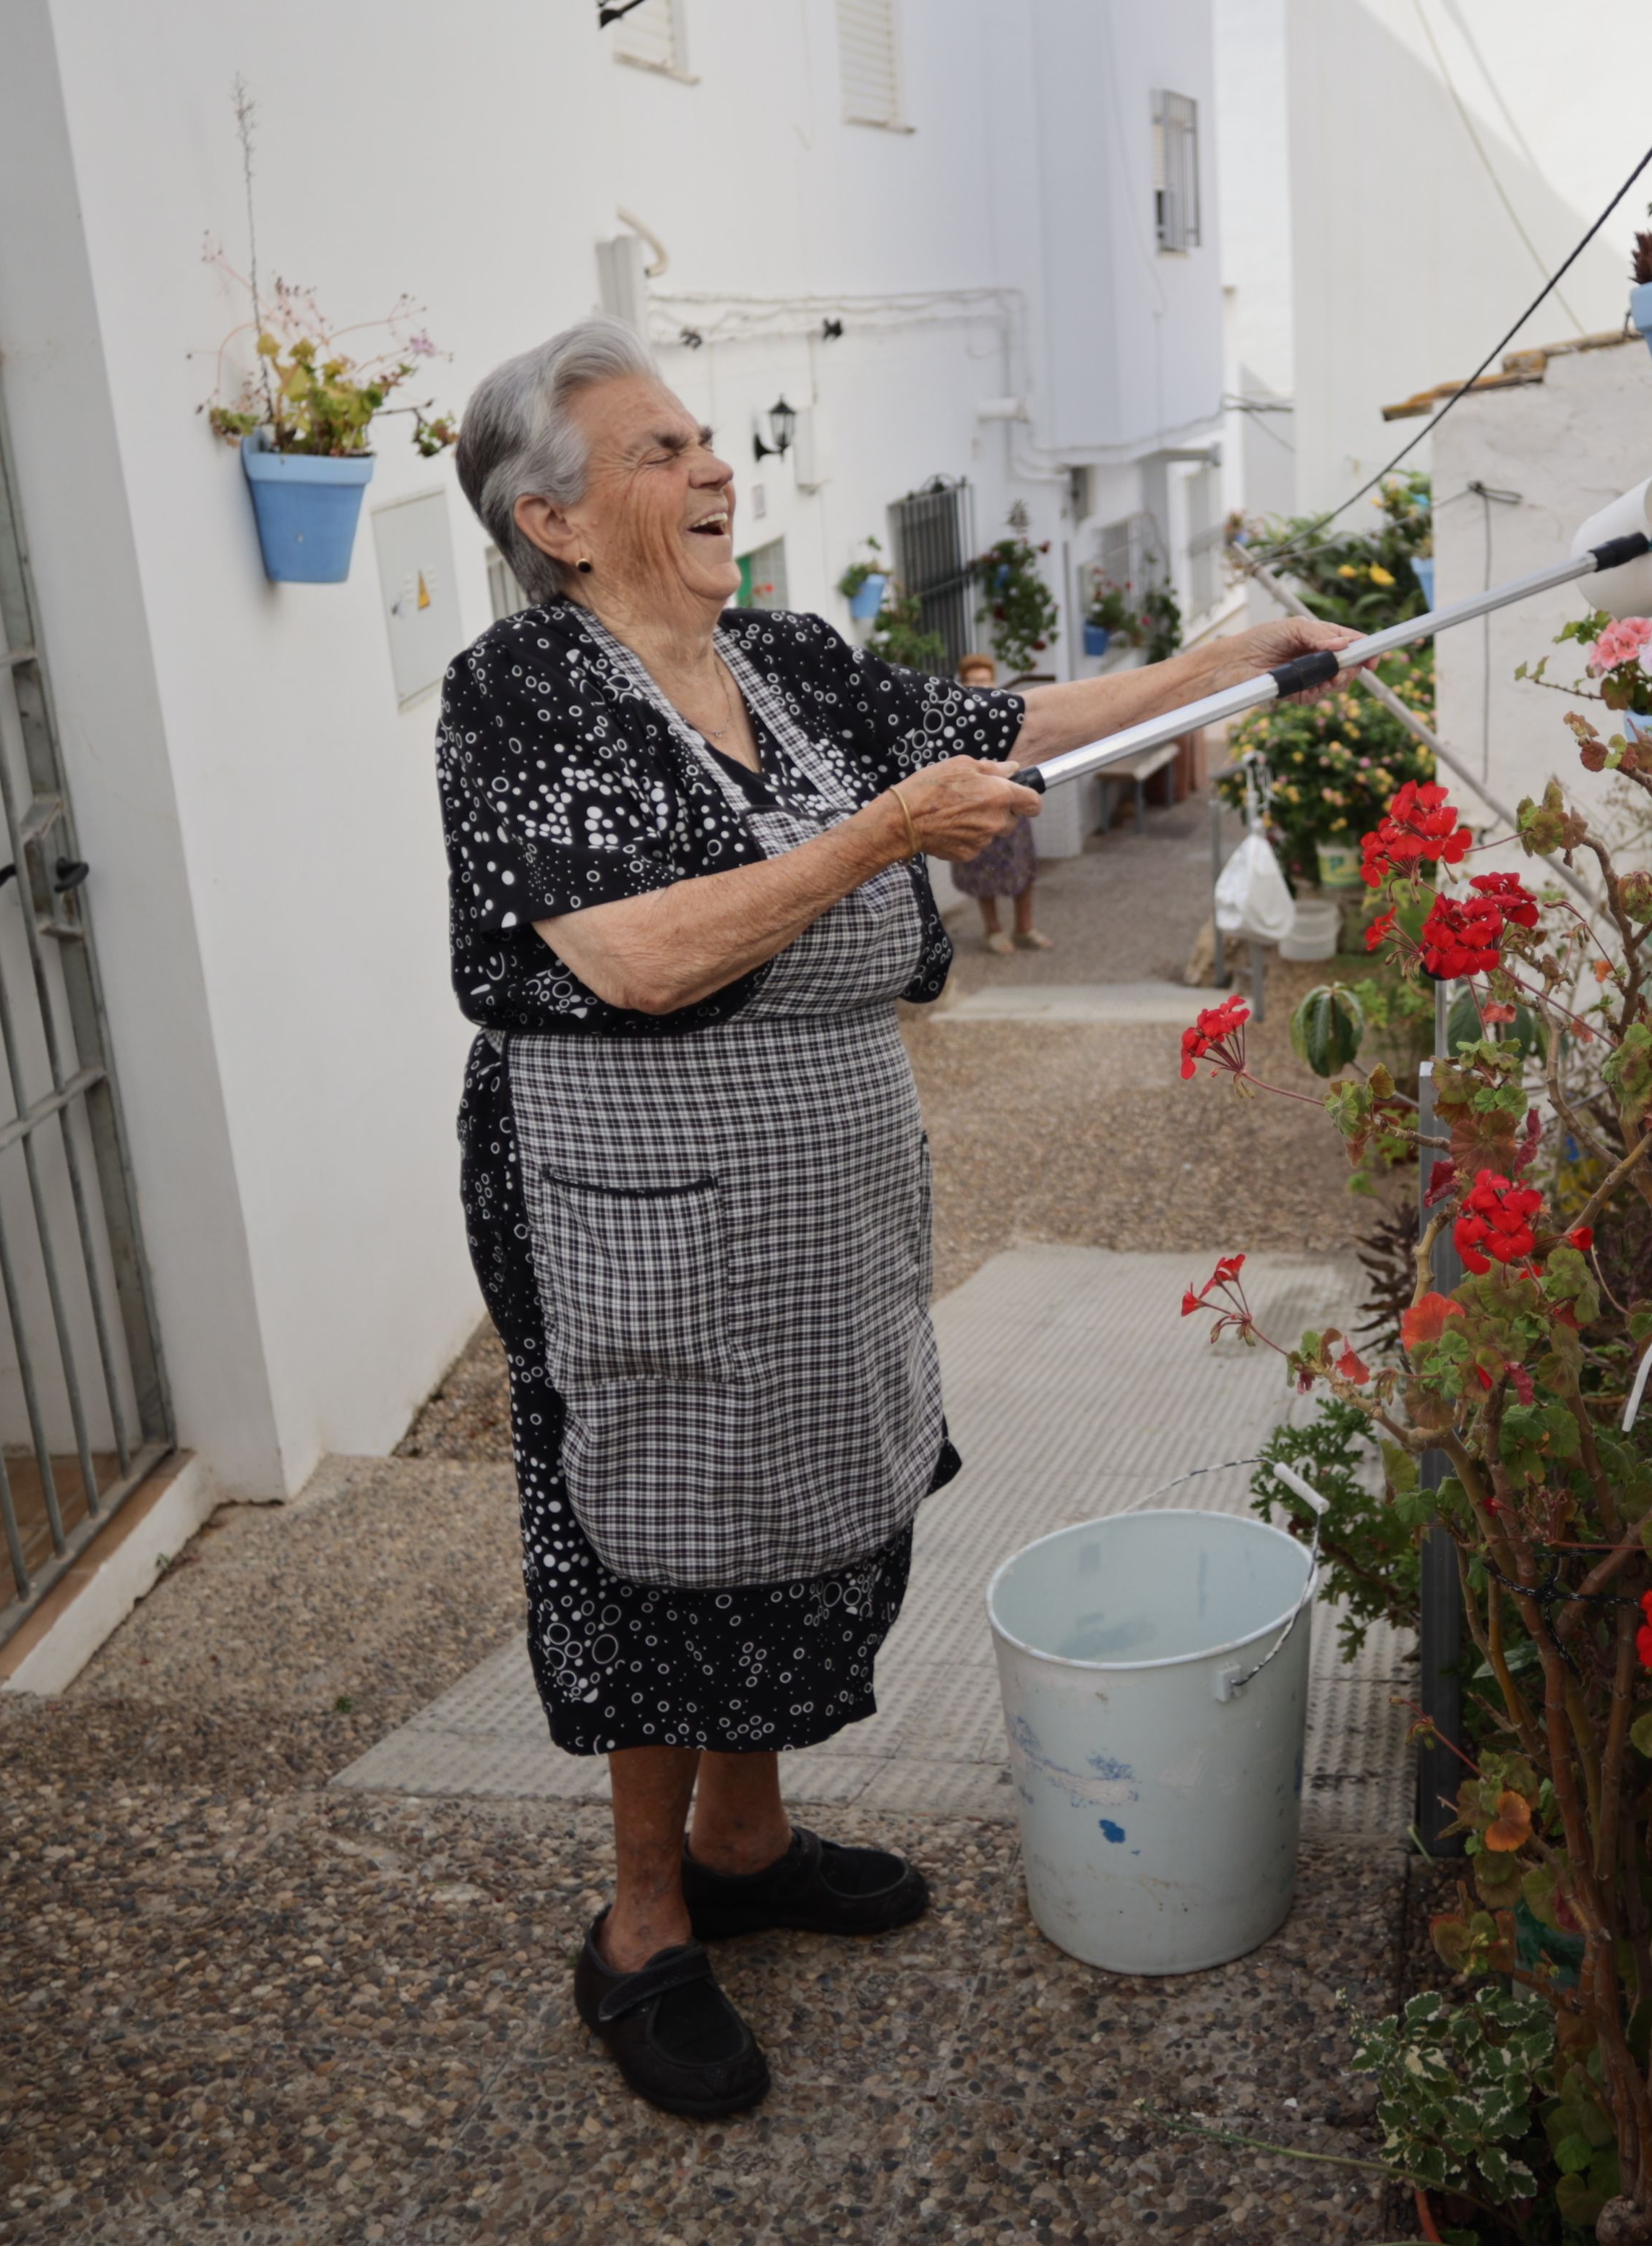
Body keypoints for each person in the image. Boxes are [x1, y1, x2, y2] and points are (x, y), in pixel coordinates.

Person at [435, 320, 1356, 2118]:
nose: (710, 469)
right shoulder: (521, 696)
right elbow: (629, 956)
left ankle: (748, 1840)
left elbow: (1006, 727)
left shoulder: (780, 657)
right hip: (628, 1179)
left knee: (819, 1484)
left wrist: (1230, 664)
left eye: (707, 440)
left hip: (820, 1167)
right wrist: (874, 840)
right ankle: (640, 1927)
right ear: (550, 520)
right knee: (654, 1529)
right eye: (655, 451)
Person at [945, 654, 1047, 952]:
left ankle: (1025, 928)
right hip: (975, 801)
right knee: (982, 871)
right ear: (963, 684)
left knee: (1023, 867)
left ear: (994, 681)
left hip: (1012, 797)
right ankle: (993, 930)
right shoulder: (955, 721)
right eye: (972, 682)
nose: (978, 686)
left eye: (984, 680)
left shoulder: (1008, 713)